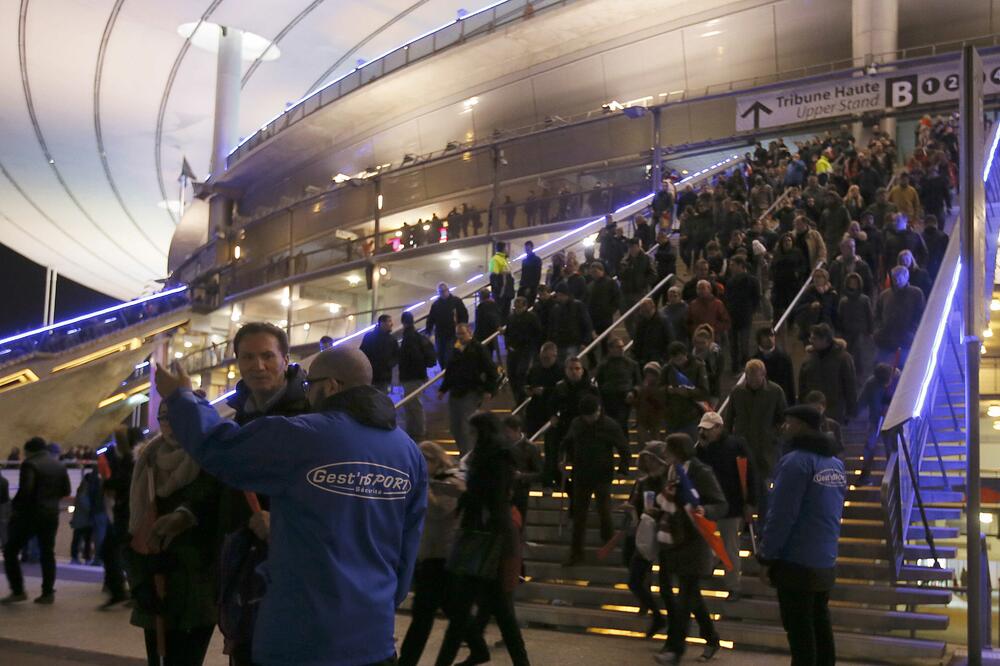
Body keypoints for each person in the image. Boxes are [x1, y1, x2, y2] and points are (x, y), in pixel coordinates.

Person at [155, 348, 427, 666]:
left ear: (331, 387)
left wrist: (182, 399)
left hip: (298, 639)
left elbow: (221, 448)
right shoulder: (409, 453)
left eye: (310, 384)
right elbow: (407, 553)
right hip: (374, 643)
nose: (307, 392)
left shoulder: (301, 435)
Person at [218, 322, 312, 664]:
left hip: (300, 575)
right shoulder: (236, 421)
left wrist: (284, 521)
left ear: (285, 359)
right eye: (248, 357)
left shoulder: (312, 415)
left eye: (267, 356)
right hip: (245, 570)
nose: (258, 366)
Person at [127, 400, 221, 666]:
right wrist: (139, 583)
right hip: (153, 584)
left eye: (177, 417)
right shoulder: (147, 461)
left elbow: (212, 509)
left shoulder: (210, 460)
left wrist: (183, 519)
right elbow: (128, 529)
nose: (169, 425)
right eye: (164, 418)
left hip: (196, 588)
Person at [434, 413, 530, 666]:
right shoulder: (495, 457)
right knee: (494, 613)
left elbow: (492, 499)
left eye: (474, 432)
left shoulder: (494, 459)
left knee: (474, 612)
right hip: (492, 538)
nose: (470, 437)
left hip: (487, 539)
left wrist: (465, 493)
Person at [759, 405, 846, 666]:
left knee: (800, 633)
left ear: (802, 426)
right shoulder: (836, 464)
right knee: (820, 624)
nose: (785, 427)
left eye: (790, 422)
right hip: (824, 559)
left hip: (796, 561)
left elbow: (782, 514)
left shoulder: (796, 462)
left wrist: (766, 556)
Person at [652, 433, 726, 665]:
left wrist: (706, 510)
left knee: (685, 597)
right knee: (690, 597)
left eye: (668, 449)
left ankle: (675, 649)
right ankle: (711, 638)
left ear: (677, 450)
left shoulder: (700, 472)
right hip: (672, 539)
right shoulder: (670, 472)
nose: (664, 453)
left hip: (693, 542)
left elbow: (720, 504)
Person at [399, 442, 465, 666]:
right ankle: (477, 644)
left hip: (442, 556)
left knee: (422, 617)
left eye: (424, 459)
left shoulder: (451, 481)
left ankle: (406, 661)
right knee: (449, 610)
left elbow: (439, 511)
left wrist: (424, 488)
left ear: (436, 460)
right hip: (428, 555)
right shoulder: (426, 483)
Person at [562, 395, 630, 567]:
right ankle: (576, 553)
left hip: (602, 474)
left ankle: (608, 544)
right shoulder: (577, 424)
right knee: (579, 515)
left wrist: (623, 467)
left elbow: (623, 447)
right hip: (581, 474)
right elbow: (568, 441)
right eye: (588, 416)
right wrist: (564, 457)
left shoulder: (609, 425)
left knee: (604, 510)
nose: (591, 418)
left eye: (594, 414)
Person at [1, 437, 71, 605]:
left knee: (10, 550)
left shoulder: (30, 464)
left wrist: (14, 509)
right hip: (51, 514)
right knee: (47, 553)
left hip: (30, 515)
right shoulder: (59, 465)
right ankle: (47, 593)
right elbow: (66, 490)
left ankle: (18, 590)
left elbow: (26, 491)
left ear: (29, 451)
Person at [696, 412, 755, 601]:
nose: (705, 434)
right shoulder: (702, 448)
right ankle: (711, 566)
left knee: (730, 546)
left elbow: (750, 473)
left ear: (719, 427)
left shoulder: (736, 445)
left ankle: (733, 585)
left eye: (708, 430)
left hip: (731, 503)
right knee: (711, 542)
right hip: (710, 503)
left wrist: (751, 502)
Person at [722, 359, 787, 518]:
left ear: (763, 375)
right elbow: (729, 418)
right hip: (743, 448)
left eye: (755, 378)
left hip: (766, 449)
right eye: (749, 378)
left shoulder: (775, 391)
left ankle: (764, 523)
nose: (752, 381)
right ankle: (746, 524)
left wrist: (774, 436)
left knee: (765, 489)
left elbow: (783, 418)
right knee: (743, 488)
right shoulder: (737, 392)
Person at [439, 322, 499, 456]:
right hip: (455, 391)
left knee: (466, 426)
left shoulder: (479, 349)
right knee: (455, 427)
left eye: (462, 333)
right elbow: (450, 371)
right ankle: (464, 453)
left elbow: (491, 370)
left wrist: (489, 390)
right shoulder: (456, 350)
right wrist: (443, 389)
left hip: (471, 391)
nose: (460, 336)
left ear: (470, 333)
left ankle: (468, 456)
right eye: (458, 334)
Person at [101, 426, 142, 608]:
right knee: (127, 553)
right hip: (132, 512)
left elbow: (121, 482)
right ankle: (129, 591)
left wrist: (106, 482)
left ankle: (122, 591)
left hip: (126, 513)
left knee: (116, 551)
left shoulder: (130, 459)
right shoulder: (138, 457)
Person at [545, 357, 599, 488]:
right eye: (571, 369)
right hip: (564, 426)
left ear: (582, 370)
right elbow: (551, 405)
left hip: (584, 428)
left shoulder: (590, 388)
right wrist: (553, 416)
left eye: (577, 369)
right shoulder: (560, 387)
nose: (574, 372)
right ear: (566, 370)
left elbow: (598, 407)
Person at [799, 324, 857, 424]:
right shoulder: (809, 359)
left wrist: (850, 410)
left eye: (814, 338)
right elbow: (802, 385)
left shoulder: (843, 358)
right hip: (812, 411)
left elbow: (850, 385)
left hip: (835, 411)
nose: (810, 341)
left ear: (824, 339)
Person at [874, 266, 926, 367]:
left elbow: (920, 315)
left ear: (907, 277)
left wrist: (913, 331)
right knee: (884, 371)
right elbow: (877, 315)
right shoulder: (885, 295)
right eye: (894, 277)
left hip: (906, 340)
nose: (896, 279)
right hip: (886, 340)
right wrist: (878, 330)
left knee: (906, 369)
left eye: (899, 276)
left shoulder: (916, 293)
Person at [398, 311, 438, 440]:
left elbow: (413, 357)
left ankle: (418, 432)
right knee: (413, 404)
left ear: (403, 322)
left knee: (413, 405)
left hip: (411, 376)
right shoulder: (415, 336)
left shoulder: (408, 337)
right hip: (416, 375)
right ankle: (416, 431)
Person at [857, 364, 897, 485]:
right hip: (875, 419)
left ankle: (894, 476)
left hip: (890, 420)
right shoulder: (872, 384)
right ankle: (864, 476)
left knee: (891, 447)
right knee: (870, 446)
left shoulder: (896, 380)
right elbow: (863, 400)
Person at [661, 341, 710, 440]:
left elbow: (704, 392)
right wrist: (668, 390)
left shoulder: (698, 366)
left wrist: (687, 392)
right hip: (672, 416)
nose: (678, 361)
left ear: (685, 354)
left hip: (691, 414)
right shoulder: (667, 368)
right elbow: (659, 389)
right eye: (675, 359)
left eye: (680, 358)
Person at [594, 336, 640, 438]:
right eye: (618, 347)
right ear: (610, 349)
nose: (621, 349)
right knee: (610, 425)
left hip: (625, 397)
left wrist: (633, 392)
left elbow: (638, 383)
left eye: (622, 346)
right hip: (609, 399)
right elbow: (599, 383)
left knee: (621, 424)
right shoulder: (603, 365)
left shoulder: (631, 364)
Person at [505, 296, 544, 406]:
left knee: (520, 373)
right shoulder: (511, 318)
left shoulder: (532, 317)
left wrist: (532, 346)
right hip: (513, 350)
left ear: (525, 306)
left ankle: (521, 397)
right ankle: (518, 398)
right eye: (516, 307)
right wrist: (508, 345)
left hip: (525, 350)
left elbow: (537, 333)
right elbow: (507, 332)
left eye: (519, 307)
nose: (517, 310)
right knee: (511, 375)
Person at [504, 416, 542, 525]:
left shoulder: (531, 448)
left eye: (508, 432)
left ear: (517, 430)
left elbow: (540, 473)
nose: (506, 435)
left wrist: (522, 476)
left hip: (520, 491)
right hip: (503, 490)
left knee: (518, 523)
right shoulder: (503, 446)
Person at [724, 256, 760, 370]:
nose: (730, 267)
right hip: (733, 315)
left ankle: (744, 365)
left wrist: (751, 310)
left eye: (733, 265)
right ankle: (735, 365)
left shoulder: (752, 280)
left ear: (740, 265)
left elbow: (756, 298)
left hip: (745, 314)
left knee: (744, 344)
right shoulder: (730, 281)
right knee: (734, 344)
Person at [837, 272, 875, 382]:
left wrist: (870, 331)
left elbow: (869, 315)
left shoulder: (864, 299)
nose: (853, 284)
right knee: (849, 356)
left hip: (861, 332)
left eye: (855, 282)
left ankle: (861, 378)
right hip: (847, 333)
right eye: (851, 282)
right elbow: (840, 317)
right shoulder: (843, 301)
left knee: (861, 357)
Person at [545, 283, 594, 362]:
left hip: (573, 342)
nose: (559, 297)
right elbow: (551, 326)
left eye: (561, 295)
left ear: (566, 294)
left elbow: (586, 324)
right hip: (559, 343)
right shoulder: (556, 308)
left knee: (569, 363)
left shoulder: (578, 306)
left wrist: (585, 341)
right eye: (558, 295)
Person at [523, 342, 562, 440]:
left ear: (555, 356)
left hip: (553, 408)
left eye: (547, 358)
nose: (544, 361)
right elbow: (527, 383)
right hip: (536, 408)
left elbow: (562, 391)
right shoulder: (535, 369)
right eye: (542, 358)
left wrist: (545, 391)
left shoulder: (561, 371)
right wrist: (527, 390)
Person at [427, 283, 470, 367]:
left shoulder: (456, 301)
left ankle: (452, 372)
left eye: (444, 291)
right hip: (440, 335)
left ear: (448, 290)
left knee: (451, 355)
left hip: (453, 334)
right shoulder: (436, 305)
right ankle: (445, 373)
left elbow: (464, 315)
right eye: (441, 291)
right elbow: (431, 319)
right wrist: (428, 331)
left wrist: (463, 328)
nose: (443, 293)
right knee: (441, 356)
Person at [585, 261, 622, 355]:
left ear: (602, 271)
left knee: (606, 341)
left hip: (605, 317)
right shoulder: (590, 285)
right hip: (593, 317)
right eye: (592, 272)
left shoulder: (610, 282)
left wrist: (610, 310)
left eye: (596, 271)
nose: (594, 274)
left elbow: (617, 298)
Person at [753, 327, 796, 405]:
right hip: (761, 402)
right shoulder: (754, 360)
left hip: (780, 401)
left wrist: (791, 404)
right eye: (766, 336)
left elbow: (790, 384)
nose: (769, 338)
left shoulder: (784, 358)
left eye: (772, 335)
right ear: (759, 339)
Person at [360, 314, 400, 393]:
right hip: (373, 376)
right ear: (382, 323)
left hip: (384, 377)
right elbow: (362, 354)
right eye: (389, 321)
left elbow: (397, 355)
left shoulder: (392, 339)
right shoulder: (370, 337)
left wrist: (390, 364)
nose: (392, 324)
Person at [631, 362, 666, 446]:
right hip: (641, 418)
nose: (649, 376)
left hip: (655, 418)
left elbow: (660, 403)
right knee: (642, 441)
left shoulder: (660, 388)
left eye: (651, 374)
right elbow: (637, 403)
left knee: (655, 441)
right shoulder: (642, 387)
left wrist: (648, 391)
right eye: (647, 373)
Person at [802, 391, 844, 456]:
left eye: (818, 409)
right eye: (812, 409)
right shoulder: (802, 425)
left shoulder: (833, 425)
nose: (815, 413)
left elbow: (839, 449)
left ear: (824, 407)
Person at [69, 468, 97, 564]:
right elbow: (86, 506)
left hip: (80, 520)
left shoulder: (80, 491)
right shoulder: (86, 492)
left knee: (78, 539)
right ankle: (85, 557)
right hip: (85, 521)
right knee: (86, 540)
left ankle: (76, 556)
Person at [473, 289, 503, 360]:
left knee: (484, 354)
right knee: (489, 353)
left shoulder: (482, 306)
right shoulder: (494, 304)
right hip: (490, 333)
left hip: (483, 334)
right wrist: (498, 326)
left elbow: (491, 317)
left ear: (480, 297)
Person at [519, 240, 543, 305]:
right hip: (524, 286)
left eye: (528, 248)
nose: (526, 249)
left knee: (528, 304)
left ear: (532, 248)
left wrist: (530, 287)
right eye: (526, 248)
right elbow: (524, 274)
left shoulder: (536, 260)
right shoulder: (525, 260)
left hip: (530, 287)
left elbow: (537, 275)